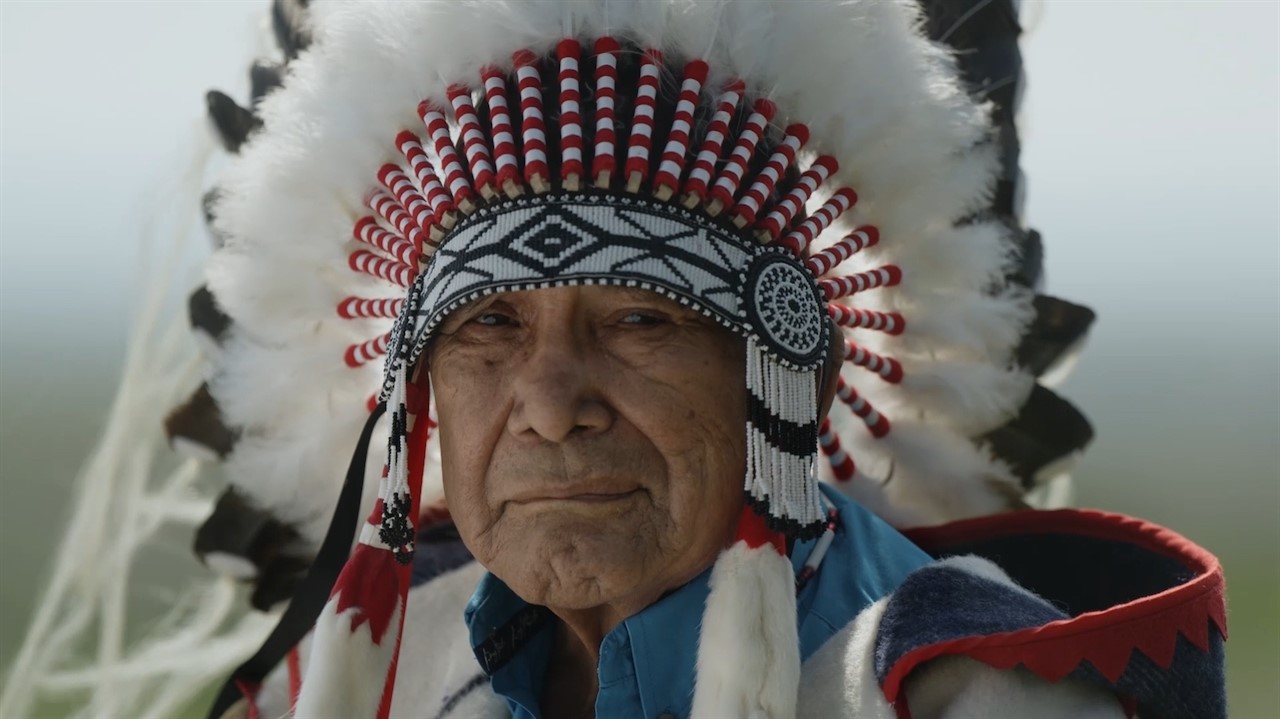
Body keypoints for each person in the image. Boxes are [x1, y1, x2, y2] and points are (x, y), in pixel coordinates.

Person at [158, 1, 1225, 718]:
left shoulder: (964, 688)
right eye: (487, 327)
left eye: (638, 320)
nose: (547, 404)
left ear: (789, 375)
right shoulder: (370, 667)